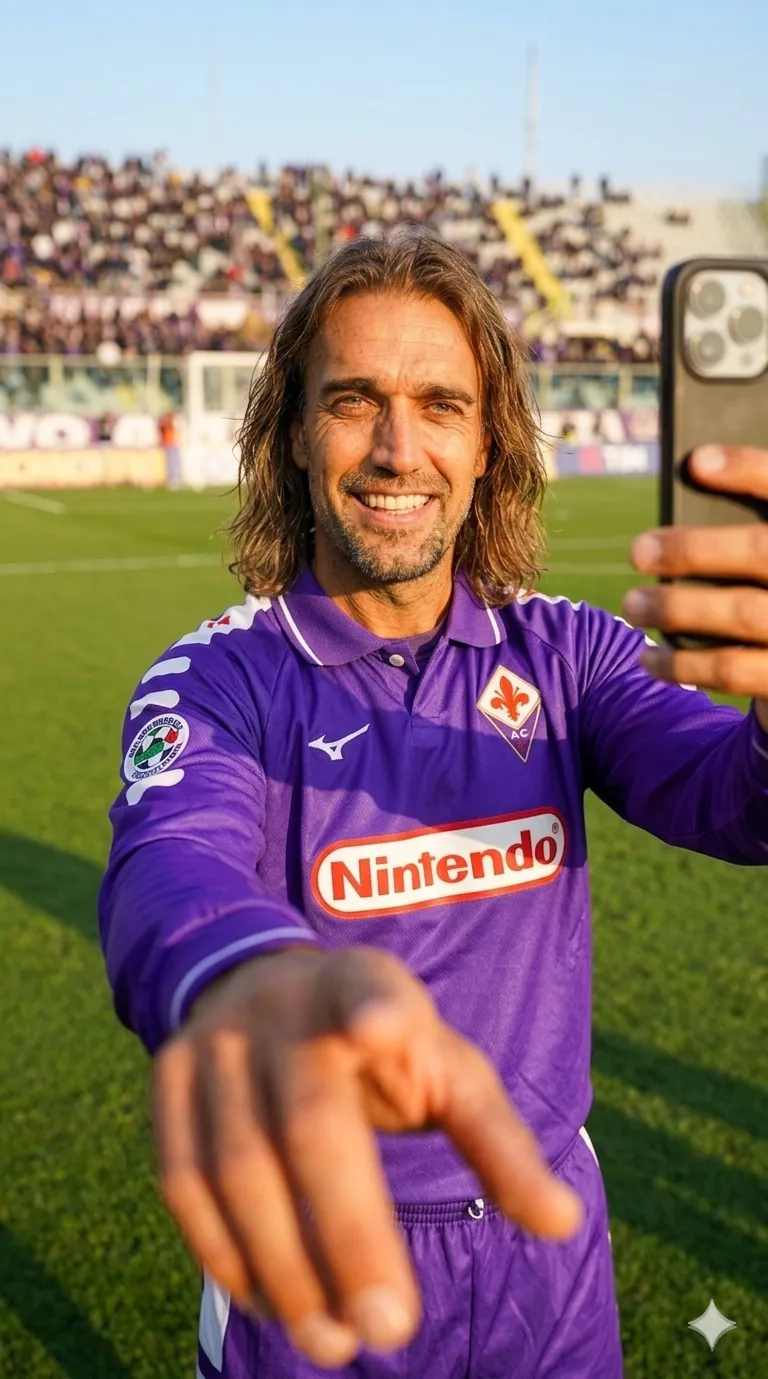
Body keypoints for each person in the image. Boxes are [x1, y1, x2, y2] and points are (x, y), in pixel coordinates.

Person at [99, 232, 768, 1378]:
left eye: (440, 405)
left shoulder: (569, 653)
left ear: (487, 440)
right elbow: (171, 860)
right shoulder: (217, 678)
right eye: (354, 400)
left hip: (549, 1255)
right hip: (321, 1249)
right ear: (292, 433)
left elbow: (734, 800)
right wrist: (246, 975)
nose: (397, 448)